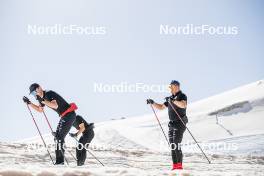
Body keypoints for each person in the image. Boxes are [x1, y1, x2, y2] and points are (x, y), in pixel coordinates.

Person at [23, 83, 77, 165]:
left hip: (69, 115)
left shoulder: (49, 93)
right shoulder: (42, 98)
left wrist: (42, 100)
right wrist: (29, 103)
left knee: (59, 137)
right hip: (64, 116)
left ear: (39, 88)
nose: (34, 94)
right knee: (57, 138)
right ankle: (59, 161)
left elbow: (55, 105)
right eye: (33, 94)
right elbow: (40, 110)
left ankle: (60, 162)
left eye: (34, 92)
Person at [147, 80, 188, 170]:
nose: (170, 88)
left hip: (180, 122)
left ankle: (179, 166)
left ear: (177, 86)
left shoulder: (182, 95)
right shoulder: (170, 98)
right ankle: (175, 166)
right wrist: (152, 102)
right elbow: (161, 107)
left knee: (176, 144)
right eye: (170, 87)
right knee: (172, 145)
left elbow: (183, 105)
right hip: (172, 124)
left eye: (171, 86)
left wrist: (173, 101)